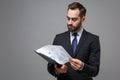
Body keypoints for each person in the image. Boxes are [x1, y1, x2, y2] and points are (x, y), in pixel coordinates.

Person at [47, 2, 100, 80]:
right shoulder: (59, 38)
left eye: (74, 19)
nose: (69, 23)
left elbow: (95, 71)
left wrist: (82, 66)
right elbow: (50, 66)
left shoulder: (93, 39)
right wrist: (57, 71)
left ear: (83, 19)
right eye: (68, 18)